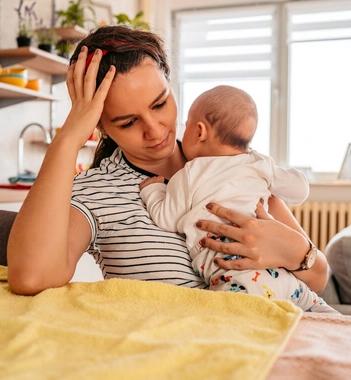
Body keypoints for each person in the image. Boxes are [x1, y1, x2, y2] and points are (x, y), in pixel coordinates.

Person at [6, 26, 330, 298]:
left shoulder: (227, 160)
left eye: (160, 104)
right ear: (100, 125)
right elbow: (31, 277)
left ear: (171, 84)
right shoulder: (97, 191)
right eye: (128, 122)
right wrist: (68, 138)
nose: (155, 130)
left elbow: (319, 277)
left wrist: (295, 251)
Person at [139, 86, 337, 313]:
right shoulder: (259, 163)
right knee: (333, 322)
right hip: (285, 278)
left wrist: (153, 191)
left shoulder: (189, 174)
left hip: (241, 278)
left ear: (200, 131)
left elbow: (166, 218)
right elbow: (300, 191)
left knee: (227, 322)